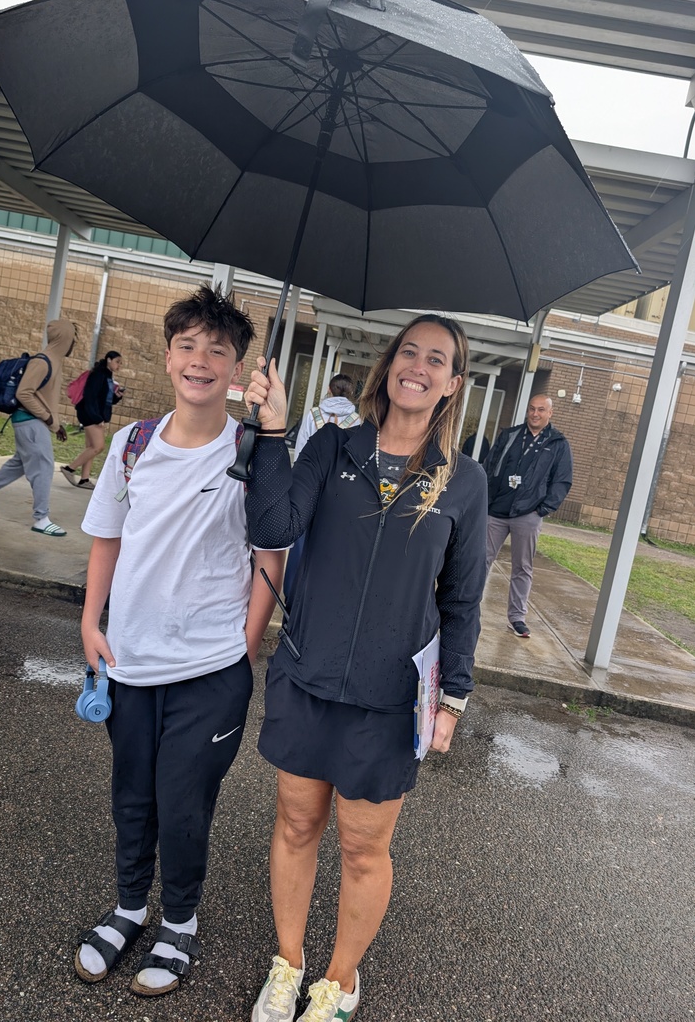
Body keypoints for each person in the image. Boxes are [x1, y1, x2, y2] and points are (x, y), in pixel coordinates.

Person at [244, 314, 487, 1022]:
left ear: (453, 383)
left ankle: (338, 981)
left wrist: (453, 698)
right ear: (388, 365)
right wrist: (271, 433)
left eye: (436, 359)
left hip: (390, 698)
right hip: (308, 675)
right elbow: (272, 527)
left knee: (362, 848)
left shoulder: (463, 482)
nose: (418, 366)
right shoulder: (333, 445)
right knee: (296, 826)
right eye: (409, 351)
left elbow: (462, 598)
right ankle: (287, 965)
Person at [74, 285, 284, 1000]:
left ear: (237, 369)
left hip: (210, 669)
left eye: (217, 350)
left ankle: (180, 923)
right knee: (133, 796)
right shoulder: (133, 445)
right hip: (130, 662)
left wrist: (244, 646)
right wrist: (91, 622)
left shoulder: (252, 451)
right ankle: (130, 908)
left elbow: (271, 555)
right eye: (187, 346)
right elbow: (107, 536)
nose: (200, 361)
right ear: (167, 357)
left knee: (183, 802)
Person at [0, 319, 76, 537]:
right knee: (44, 468)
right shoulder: (42, 362)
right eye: (72, 339)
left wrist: (55, 424)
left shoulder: (55, 361)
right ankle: (41, 519)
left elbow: (44, 398)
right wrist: (49, 419)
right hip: (30, 421)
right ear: (64, 339)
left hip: (34, 422)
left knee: (19, 464)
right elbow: (24, 393)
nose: (74, 344)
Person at [484, 394, 573, 638]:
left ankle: (517, 618)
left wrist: (542, 509)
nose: (535, 414)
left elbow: (562, 480)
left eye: (541, 410)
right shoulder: (510, 435)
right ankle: (467, 607)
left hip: (528, 513)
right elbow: (489, 466)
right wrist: (485, 499)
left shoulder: (558, 443)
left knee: (522, 567)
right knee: (480, 560)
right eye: (532, 409)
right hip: (496, 511)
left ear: (550, 413)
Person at [284, 374, 360, 600]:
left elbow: (301, 450)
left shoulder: (313, 415)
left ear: (329, 389)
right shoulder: (357, 420)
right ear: (351, 393)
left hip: (308, 484)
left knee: (301, 537)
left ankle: (292, 592)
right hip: (337, 487)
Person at [60, 350, 124, 490]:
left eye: (120, 363)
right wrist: (97, 418)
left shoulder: (107, 375)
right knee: (98, 447)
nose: (119, 365)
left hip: (93, 414)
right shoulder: (98, 374)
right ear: (109, 360)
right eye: (117, 362)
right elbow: (90, 397)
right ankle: (70, 469)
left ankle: (84, 479)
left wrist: (117, 396)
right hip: (90, 414)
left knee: (91, 448)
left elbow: (104, 399)